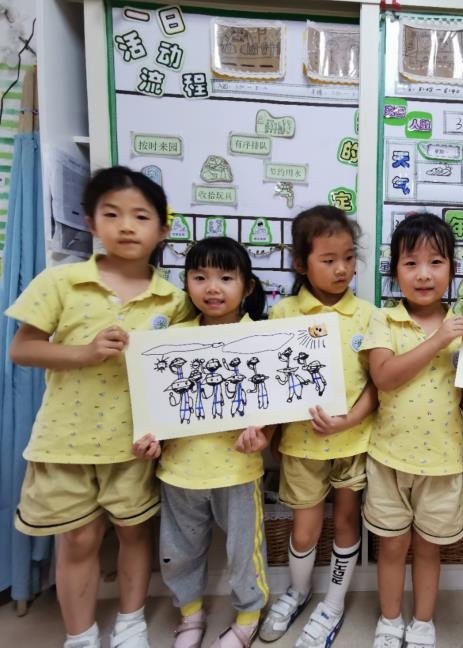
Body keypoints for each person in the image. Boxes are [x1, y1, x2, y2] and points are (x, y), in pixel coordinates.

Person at [6, 166, 193, 648]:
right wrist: (85, 353)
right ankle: (81, 635)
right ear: (91, 222)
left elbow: (177, 378)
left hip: (134, 444)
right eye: (112, 214)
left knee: (134, 534)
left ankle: (130, 624)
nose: (126, 226)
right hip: (64, 442)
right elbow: (22, 348)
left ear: (163, 230)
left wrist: (163, 433)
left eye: (140, 216)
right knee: (78, 538)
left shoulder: (174, 300)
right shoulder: (62, 282)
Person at [363, 213, 463, 648]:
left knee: (429, 549)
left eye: (436, 262)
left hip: (442, 463)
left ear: (452, 270)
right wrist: (438, 340)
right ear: (395, 272)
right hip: (388, 459)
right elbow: (384, 377)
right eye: (411, 263)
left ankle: (422, 622)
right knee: (391, 548)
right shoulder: (384, 321)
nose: (423, 274)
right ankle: (390, 620)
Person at [133, 236, 272, 648]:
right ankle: (190, 615)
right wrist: (151, 440)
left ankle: (248, 616)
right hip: (179, 469)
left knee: (244, 552)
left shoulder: (263, 337)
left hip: (238, 470)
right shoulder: (170, 339)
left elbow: (279, 405)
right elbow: (156, 404)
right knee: (178, 551)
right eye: (200, 277)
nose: (213, 288)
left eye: (226, 277)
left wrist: (263, 435)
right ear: (187, 283)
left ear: (247, 286)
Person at [259, 206, 379, 648]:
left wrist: (352, 418)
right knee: (304, 527)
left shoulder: (368, 315)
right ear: (300, 263)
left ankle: (334, 602)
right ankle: (298, 591)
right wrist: (271, 437)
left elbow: (378, 383)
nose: (342, 269)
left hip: (354, 441)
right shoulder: (283, 313)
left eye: (348, 258)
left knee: (347, 522)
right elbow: (271, 383)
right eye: (329, 260)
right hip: (301, 445)